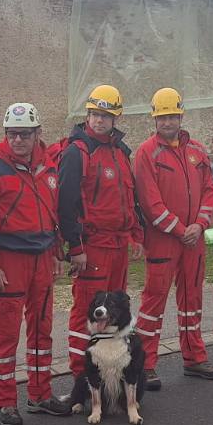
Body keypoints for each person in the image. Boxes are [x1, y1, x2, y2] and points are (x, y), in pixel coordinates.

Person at [0, 101, 74, 425]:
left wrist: (56, 252)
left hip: (42, 258)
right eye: (12, 134)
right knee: (6, 334)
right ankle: (4, 402)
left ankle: (40, 394)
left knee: (42, 330)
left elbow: (53, 213)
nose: (18, 140)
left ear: (38, 133)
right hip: (9, 260)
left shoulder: (49, 168)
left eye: (25, 134)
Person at [132, 87, 213, 386]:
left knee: (192, 300)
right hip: (163, 240)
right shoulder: (146, 152)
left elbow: (210, 190)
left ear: (181, 116)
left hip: (194, 240)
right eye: (162, 117)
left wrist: (199, 224)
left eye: (172, 116)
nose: (168, 122)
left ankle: (195, 358)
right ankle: (144, 365)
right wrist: (180, 229)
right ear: (154, 119)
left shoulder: (197, 150)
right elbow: (150, 202)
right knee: (153, 303)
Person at [58, 84, 142, 387]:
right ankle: (82, 378)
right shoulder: (77, 152)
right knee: (86, 312)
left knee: (115, 312)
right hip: (93, 246)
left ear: (115, 118)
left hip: (118, 245)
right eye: (94, 114)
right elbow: (65, 204)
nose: (99, 120)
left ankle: (109, 375)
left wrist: (135, 235)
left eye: (105, 116)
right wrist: (75, 247)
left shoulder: (120, 152)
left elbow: (130, 200)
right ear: (87, 115)